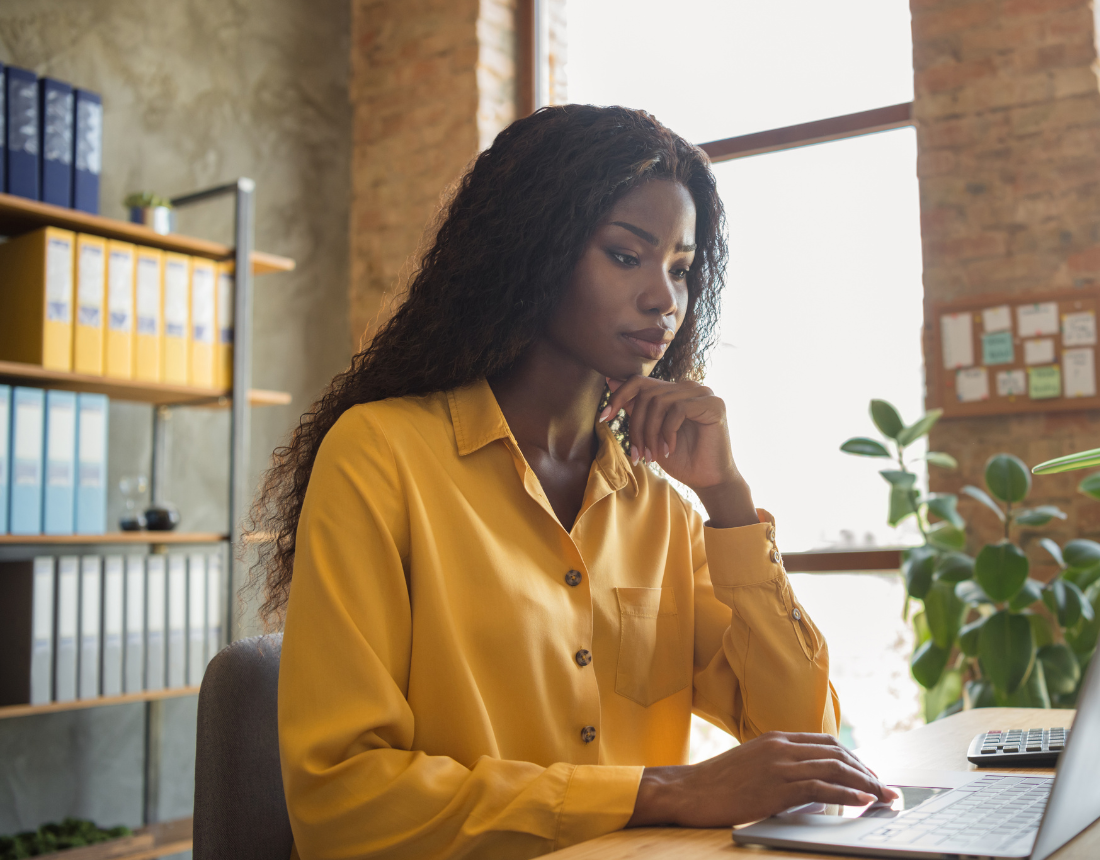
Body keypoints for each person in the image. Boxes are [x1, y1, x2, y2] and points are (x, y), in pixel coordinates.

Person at [256, 105, 896, 860]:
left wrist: (726, 501)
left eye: (682, 270)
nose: (665, 298)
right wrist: (663, 792)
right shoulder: (379, 456)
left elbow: (804, 743)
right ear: (533, 249)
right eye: (627, 256)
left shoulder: (664, 509)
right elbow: (344, 801)